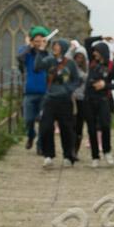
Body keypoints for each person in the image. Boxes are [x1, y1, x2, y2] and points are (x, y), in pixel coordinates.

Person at [34, 38, 80, 168]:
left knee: (66, 129)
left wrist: (68, 90)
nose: (54, 47)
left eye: (57, 46)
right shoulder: (49, 60)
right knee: (46, 127)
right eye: (53, 45)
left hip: (65, 101)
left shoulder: (70, 63)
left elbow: (77, 80)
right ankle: (48, 156)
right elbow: (37, 67)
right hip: (50, 99)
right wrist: (41, 50)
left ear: (64, 48)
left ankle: (67, 156)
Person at [84, 36, 114, 167]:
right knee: (91, 128)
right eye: (93, 51)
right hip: (89, 100)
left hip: (103, 100)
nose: (94, 53)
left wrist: (104, 85)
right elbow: (87, 41)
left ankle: (107, 151)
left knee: (105, 126)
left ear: (102, 52)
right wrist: (101, 37)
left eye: (96, 51)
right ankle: (95, 156)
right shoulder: (92, 62)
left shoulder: (113, 66)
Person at [17, 26, 50, 154]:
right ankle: (31, 136)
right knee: (28, 120)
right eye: (36, 41)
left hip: (44, 93)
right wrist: (28, 47)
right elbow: (20, 58)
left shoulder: (47, 54)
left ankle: (40, 145)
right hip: (29, 92)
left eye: (41, 41)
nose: (38, 43)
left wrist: (42, 50)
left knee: (43, 121)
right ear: (32, 41)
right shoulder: (26, 53)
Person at [67, 40, 88, 159]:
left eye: (81, 57)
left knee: (79, 126)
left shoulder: (87, 68)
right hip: (71, 99)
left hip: (82, 100)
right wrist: (72, 48)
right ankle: (70, 151)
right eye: (77, 56)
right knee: (71, 125)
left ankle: (76, 150)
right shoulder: (71, 66)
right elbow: (66, 58)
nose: (79, 59)